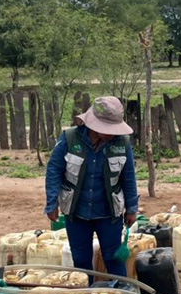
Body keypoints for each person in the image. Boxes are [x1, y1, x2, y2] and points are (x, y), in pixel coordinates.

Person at [45, 96, 139, 280]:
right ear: (94, 125)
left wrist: (132, 208)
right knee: (81, 259)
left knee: (113, 258)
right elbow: (54, 171)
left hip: (109, 213)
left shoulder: (122, 143)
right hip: (76, 212)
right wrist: (51, 203)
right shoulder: (69, 139)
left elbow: (129, 176)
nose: (112, 133)